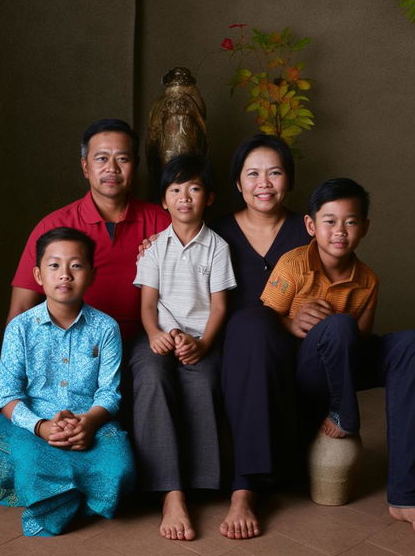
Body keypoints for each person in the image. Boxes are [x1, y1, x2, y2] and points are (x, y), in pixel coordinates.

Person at [260, 178, 415, 537]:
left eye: (350, 222)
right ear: (310, 225)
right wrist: (292, 323)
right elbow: (264, 320)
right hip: (302, 367)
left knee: (413, 343)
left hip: (344, 360)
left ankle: (407, 496)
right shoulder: (293, 265)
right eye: (329, 221)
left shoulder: (367, 280)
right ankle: (343, 412)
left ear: (365, 227)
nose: (339, 231)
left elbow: (360, 340)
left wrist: (339, 329)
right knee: (337, 327)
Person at [0, 227, 134, 536]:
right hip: (32, 420)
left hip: (90, 420)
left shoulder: (105, 328)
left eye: (76, 265)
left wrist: (88, 422)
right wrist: (42, 426)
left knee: (120, 468)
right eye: (54, 265)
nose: (65, 274)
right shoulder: (20, 328)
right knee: (31, 465)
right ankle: (64, 498)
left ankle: (67, 497)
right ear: (38, 275)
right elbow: (7, 395)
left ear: (91, 274)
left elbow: (109, 392)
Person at [131, 154, 236, 541]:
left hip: (200, 338)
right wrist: (156, 333)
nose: (184, 197)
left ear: (208, 197)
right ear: (164, 200)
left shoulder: (218, 248)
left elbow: (220, 305)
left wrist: (204, 344)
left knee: (203, 383)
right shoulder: (155, 247)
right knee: (152, 377)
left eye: (194, 188)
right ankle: (169, 492)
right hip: (157, 334)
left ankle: (198, 483)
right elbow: (145, 304)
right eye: (175, 190)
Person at [212, 134, 310, 539]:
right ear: (238, 183)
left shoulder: (308, 232)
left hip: (292, 351)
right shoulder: (213, 233)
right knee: (250, 325)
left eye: (274, 172)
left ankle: (246, 485)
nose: (263, 183)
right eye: (252, 174)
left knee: (258, 327)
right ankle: (245, 488)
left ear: (288, 179)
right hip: (231, 349)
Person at [8, 118, 170, 338]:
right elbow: (20, 309)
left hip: (146, 341)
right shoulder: (53, 226)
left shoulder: (161, 222)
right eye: (102, 158)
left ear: (135, 165)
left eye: (122, 159)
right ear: (85, 166)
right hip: (74, 340)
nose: (112, 168)